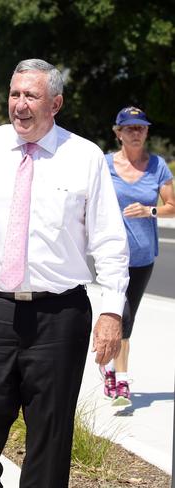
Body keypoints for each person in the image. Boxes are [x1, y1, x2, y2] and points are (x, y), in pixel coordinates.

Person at [0, 59, 129, 488]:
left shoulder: (84, 157)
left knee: (50, 437)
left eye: (31, 96)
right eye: (14, 94)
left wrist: (112, 311)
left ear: (55, 103)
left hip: (59, 317)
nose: (19, 105)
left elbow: (110, 241)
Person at [99, 106, 175, 407]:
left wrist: (150, 210)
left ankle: (109, 367)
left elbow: (171, 205)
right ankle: (121, 382)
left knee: (127, 319)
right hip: (111, 255)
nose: (135, 132)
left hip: (143, 256)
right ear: (118, 133)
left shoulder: (157, 166)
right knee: (121, 314)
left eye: (141, 127)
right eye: (129, 128)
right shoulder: (104, 165)